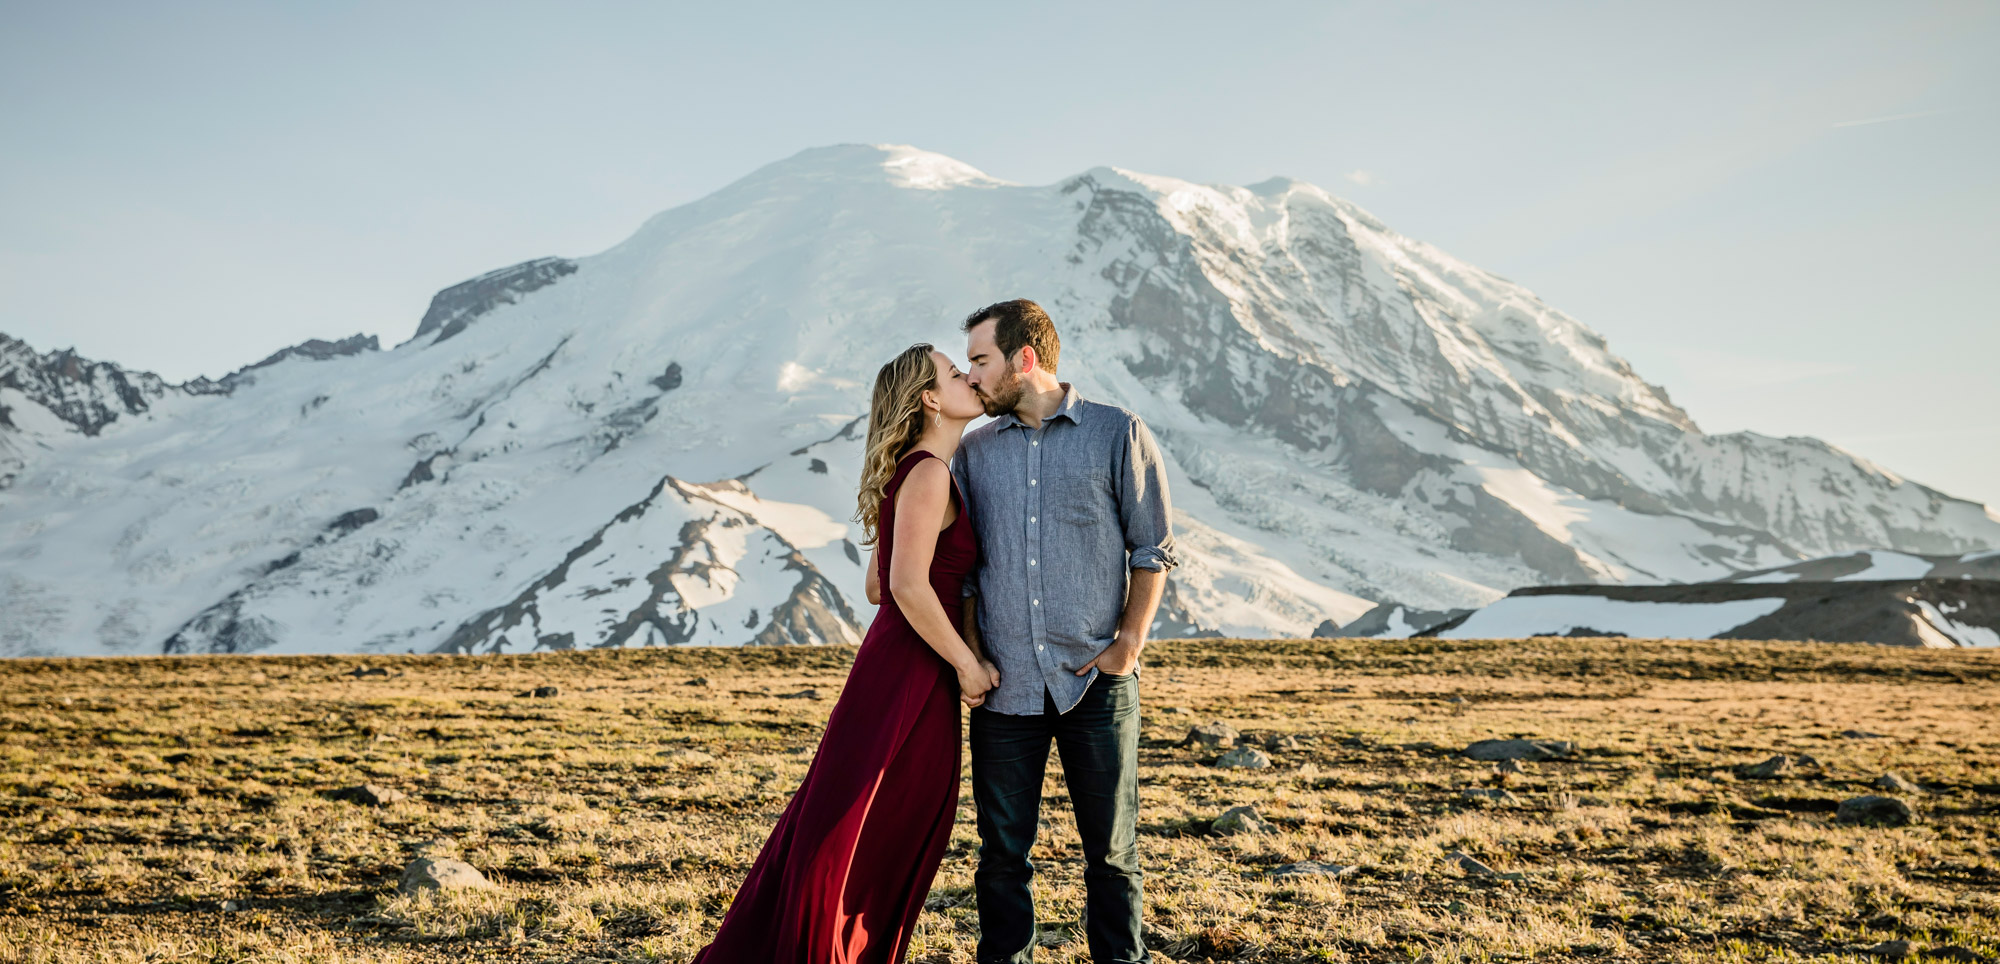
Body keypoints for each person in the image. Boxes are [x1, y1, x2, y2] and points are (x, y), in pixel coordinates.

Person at [690, 343, 1002, 964]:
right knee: (862, 829)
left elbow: (875, 584)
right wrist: (967, 663)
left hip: (898, 668)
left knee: (860, 823)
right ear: (930, 399)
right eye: (952, 372)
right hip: (910, 676)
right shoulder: (930, 473)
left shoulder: (917, 469)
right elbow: (905, 586)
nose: (969, 376)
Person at [953, 299, 1178, 964]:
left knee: (1111, 855)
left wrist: (1128, 644)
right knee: (1001, 858)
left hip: (1096, 686)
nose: (971, 376)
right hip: (1004, 689)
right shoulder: (974, 452)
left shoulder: (1118, 433)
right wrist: (972, 654)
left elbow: (1153, 548)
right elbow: (966, 570)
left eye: (980, 360)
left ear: (1024, 360)